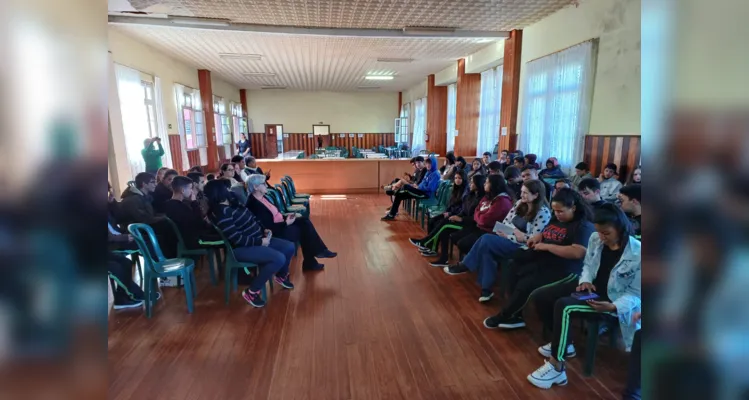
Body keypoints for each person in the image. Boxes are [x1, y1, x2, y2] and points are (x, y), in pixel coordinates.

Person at [525, 204, 640, 390]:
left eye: (606, 233)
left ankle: (557, 366)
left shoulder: (638, 253)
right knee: (543, 295)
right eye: (599, 232)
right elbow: (587, 265)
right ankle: (563, 342)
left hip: (613, 301)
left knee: (565, 305)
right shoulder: (596, 238)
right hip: (592, 290)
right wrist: (585, 281)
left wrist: (612, 307)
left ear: (620, 228)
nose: (601, 237)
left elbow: (637, 295)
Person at [481, 188, 595, 330]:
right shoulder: (557, 218)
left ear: (573, 208)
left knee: (527, 283)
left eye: (560, 211)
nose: (557, 214)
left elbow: (578, 252)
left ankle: (506, 315)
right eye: (555, 211)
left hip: (566, 269)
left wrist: (547, 247)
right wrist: (538, 237)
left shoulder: (583, 226)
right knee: (514, 268)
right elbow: (547, 231)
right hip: (545, 259)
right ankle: (516, 315)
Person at [444, 180, 552, 302]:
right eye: (521, 192)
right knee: (486, 249)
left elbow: (532, 239)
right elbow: (504, 223)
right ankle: (486, 290)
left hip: (523, 248)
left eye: (525, 193)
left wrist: (511, 234)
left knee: (486, 239)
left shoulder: (543, 213)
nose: (521, 195)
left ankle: (466, 265)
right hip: (508, 239)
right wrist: (514, 234)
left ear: (536, 195)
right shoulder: (519, 204)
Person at [204, 179, 296, 308]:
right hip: (242, 248)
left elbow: (252, 217)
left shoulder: (232, 203)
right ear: (220, 192)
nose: (229, 190)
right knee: (278, 258)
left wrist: (264, 229)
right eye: (226, 188)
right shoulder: (221, 213)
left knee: (289, 247)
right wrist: (260, 241)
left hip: (257, 238)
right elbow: (236, 238)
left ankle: (281, 276)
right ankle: (251, 292)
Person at [245, 174, 336, 271]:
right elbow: (268, 226)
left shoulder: (263, 198)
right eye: (264, 184)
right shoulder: (254, 204)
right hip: (275, 232)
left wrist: (286, 217)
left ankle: (316, 256)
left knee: (304, 221)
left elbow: (276, 214)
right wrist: (286, 223)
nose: (267, 185)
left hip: (282, 223)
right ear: (255, 187)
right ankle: (314, 257)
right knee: (303, 231)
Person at [440, 174, 514, 259]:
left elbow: (484, 220)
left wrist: (478, 216)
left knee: (462, 243)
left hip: (490, 231)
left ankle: (470, 262)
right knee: (453, 235)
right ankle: (467, 260)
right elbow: (477, 211)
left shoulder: (502, 202)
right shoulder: (487, 196)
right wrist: (479, 216)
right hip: (479, 226)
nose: (484, 184)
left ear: (494, 185)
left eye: (487, 182)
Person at [419, 174, 486, 265]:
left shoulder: (482, 199)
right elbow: (463, 210)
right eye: (470, 182)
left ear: (478, 184)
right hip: (462, 219)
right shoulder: (471, 195)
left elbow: (475, 218)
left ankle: (425, 242)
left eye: (472, 182)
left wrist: (460, 219)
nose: (470, 184)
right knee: (444, 227)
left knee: (445, 223)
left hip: (469, 225)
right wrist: (456, 216)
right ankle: (444, 258)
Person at [162, 176, 221, 253]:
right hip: (194, 240)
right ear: (182, 190)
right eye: (190, 188)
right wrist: (194, 202)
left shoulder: (170, 204)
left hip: (193, 237)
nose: (192, 191)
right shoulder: (179, 207)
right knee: (228, 239)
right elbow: (198, 223)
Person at [409, 170, 467, 248]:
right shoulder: (455, 189)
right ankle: (429, 245)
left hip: (457, 217)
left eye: (459, 178)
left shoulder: (466, 192)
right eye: (456, 178)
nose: (457, 180)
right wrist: (447, 211)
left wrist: (450, 213)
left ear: (464, 179)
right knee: (432, 220)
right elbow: (451, 204)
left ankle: (426, 243)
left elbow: (462, 209)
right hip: (450, 213)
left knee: (439, 223)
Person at [382, 156, 440, 221]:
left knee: (405, 187)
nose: (428, 165)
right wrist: (416, 186)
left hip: (425, 194)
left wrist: (419, 187)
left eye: (430, 163)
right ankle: (391, 215)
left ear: (434, 164)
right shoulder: (428, 172)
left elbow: (430, 188)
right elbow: (423, 182)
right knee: (399, 195)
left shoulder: (435, 174)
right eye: (427, 163)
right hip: (420, 190)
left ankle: (393, 191)